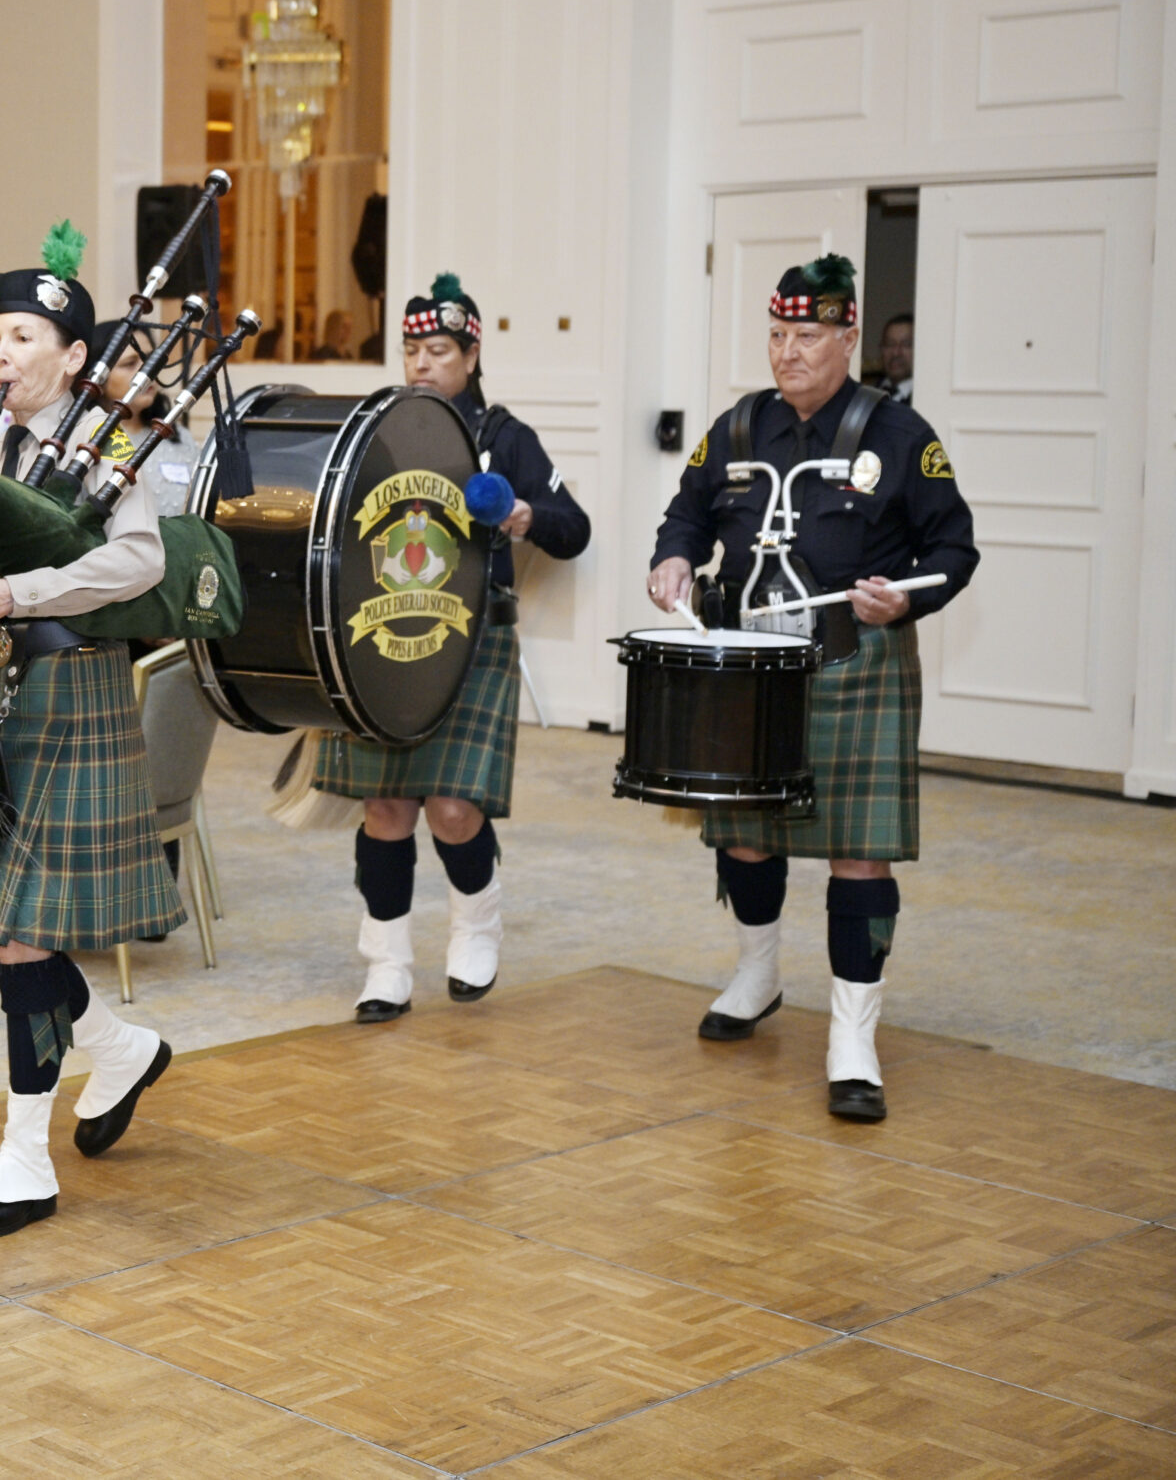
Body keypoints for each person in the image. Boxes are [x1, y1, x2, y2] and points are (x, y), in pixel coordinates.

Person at [648, 254, 977, 1123]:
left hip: (854, 662)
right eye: (776, 334)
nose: (786, 351)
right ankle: (757, 974)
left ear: (847, 337)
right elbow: (687, 512)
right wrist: (674, 555)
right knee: (745, 836)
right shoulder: (738, 428)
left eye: (806, 335)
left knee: (857, 853)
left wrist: (906, 597)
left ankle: (852, 1039)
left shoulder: (900, 435)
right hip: (750, 664)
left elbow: (955, 548)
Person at [0, 222, 180, 1244]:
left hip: (71, 681)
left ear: (73, 357)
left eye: (23, 337)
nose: (3, 354)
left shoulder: (110, 446)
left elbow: (140, 561)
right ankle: (116, 1047)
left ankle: (25, 1159)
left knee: (20, 930)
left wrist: (19, 592)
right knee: (9, 926)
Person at [315, 273, 591, 1023]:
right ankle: (387, 963)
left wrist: (524, 515)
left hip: (473, 637)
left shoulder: (505, 436)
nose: (422, 364)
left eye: (438, 350)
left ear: (471, 355)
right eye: (412, 350)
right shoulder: (377, 431)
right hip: (386, 635)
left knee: (453, 807)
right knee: (385, 805)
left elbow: (574, 528)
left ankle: (477, 922)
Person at [96, 319, 200, 518]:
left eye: (151, 359)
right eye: (130, 363)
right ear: (99, 377)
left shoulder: (177, 436)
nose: (147, 370)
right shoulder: (88, 442)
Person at [870, 312, 914, 404]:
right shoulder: (866, 395)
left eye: (906, 344)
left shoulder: (927, 397)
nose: (896, 353)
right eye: (889, 344)